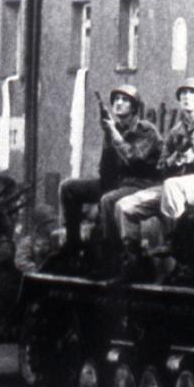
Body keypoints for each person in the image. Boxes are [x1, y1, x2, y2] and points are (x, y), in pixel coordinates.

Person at [116, 77, 194, 271]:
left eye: (193, 94)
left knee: (172, 186)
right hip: (176, 185)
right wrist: (172, 160)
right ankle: (136, 263)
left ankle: (174, 244)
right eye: (183, 94)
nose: (187, 97)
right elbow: (160, 166)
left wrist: (192, 158)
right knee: (125, 206)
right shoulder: (176, 130)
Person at [57, 84, 162, 264]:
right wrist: (109, 134)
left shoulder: (146, 131)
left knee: (108, 199)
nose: (118, 104)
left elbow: (133, 159)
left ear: (135, 107)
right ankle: (72, 243)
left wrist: (113, 133)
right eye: (116, 100)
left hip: (139, 184)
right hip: (115, 182)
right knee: (68, 188)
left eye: (125, 100)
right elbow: (106, 168)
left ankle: (112, 255)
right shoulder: (113, 128)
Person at [14, 203, 61, 274]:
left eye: (54, 221)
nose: (54, 225)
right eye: (50, 222)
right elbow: (21, 262)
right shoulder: (29, 242)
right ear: (41, 225)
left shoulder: (59, 238)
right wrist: (38, 272)